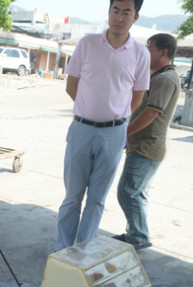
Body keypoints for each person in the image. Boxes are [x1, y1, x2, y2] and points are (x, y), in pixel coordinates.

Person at [55, 0, 150, 251]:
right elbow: (71, 85)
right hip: (81, 130)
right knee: (72, 197)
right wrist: (90, 110)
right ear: (109, 13)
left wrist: (113, 118)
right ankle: (63, 249)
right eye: (115, 10)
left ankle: (82, 250)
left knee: (97, 199)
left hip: (114, 134)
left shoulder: (141, 53)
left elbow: (138, 96)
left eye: (126, 12)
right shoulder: (87, 44)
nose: (119, 17)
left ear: (135, 17)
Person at [114, 33, 181, 250]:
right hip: (145, 145)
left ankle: (139, 236)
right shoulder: (159, 76)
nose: (145, 51)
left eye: (149, 48)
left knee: (127, 192)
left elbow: (151, 113)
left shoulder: (165, 79)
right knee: (139, 194)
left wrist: (124, 133)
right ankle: (136, 233)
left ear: (163, 52)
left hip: (147, 147)